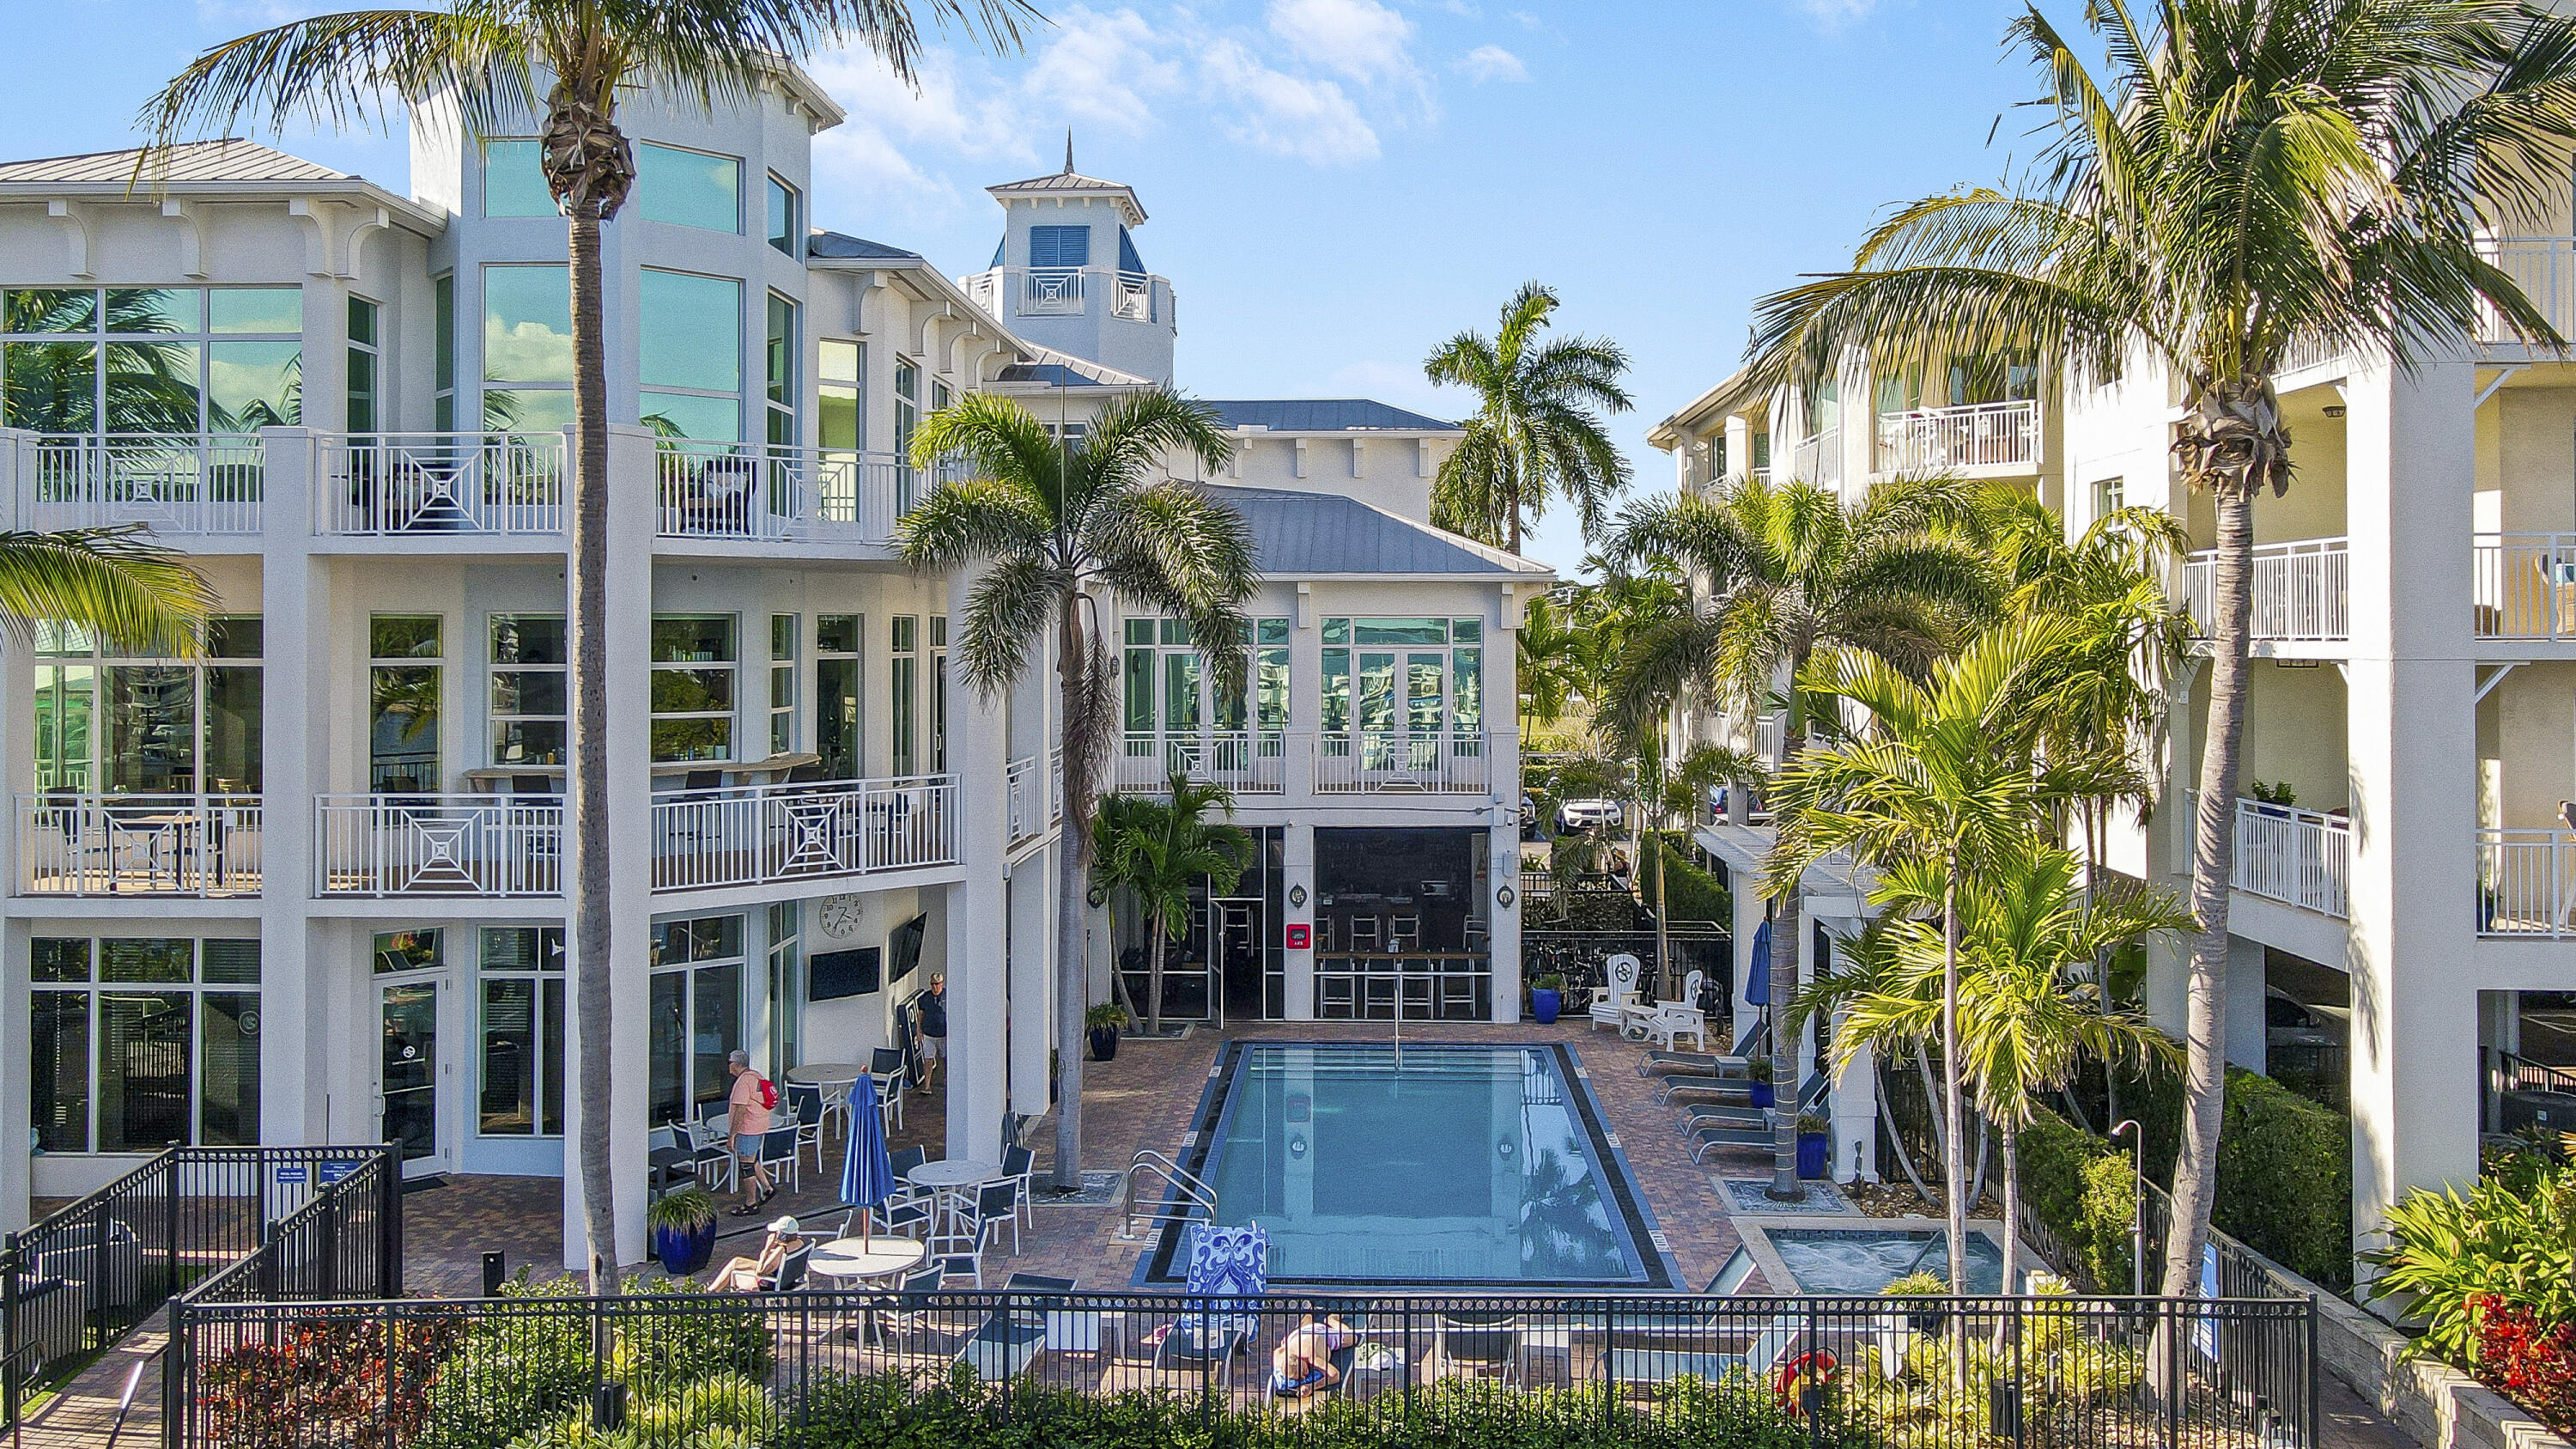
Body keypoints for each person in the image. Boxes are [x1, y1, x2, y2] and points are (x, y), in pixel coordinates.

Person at [726, 1049, 776, 1215]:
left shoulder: (743, 1082)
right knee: (752, 1159)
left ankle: (751, 1204)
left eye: (729, 1063)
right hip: (760, 1125)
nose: (728, 1066)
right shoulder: (756, 1076)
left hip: (748, 1129)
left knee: (746, 1165)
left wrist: (732, 1136)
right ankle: (767, 1188)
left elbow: (740, 1111)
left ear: (735, 1064)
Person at [1269, 1313, 1358, 1397]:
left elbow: (1335, 1375)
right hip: (1298, 1334)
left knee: (1353, 1338)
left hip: (1321, 1333)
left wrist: (1311, 1387)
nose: (1304, 1376)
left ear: (1300, 1359)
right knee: (1302, 1330)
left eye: (1303, 1371)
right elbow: (1277, 1351)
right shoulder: (1278, 1357)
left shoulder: (1312, 1358)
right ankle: (1308, 1314)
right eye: (1299, 1378)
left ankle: (1331, 1320)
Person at [710, 1216, 804, 1292]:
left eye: (777, 1232)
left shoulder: (781, 1250)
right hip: (787, 1277)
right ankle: (711, 1290)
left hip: (773, 1282)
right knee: (736, 1262)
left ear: (782, 1235)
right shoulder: (799, 1243)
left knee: (735, 1273)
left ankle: (711, 1294)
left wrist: (767, 1248)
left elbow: (760, 1271)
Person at [914, 975, 948, 1088]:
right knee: (928, 1059)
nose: (935, 987)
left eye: (937, 984)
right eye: (932, 984)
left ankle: (947, 1079)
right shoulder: (925, 998)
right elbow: (920, 1015)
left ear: (941, 983)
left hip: (943, 1035)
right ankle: (927, 1085)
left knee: (945, 1059)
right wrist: (918, 1030)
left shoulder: (947, 995)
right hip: (929, 1034)